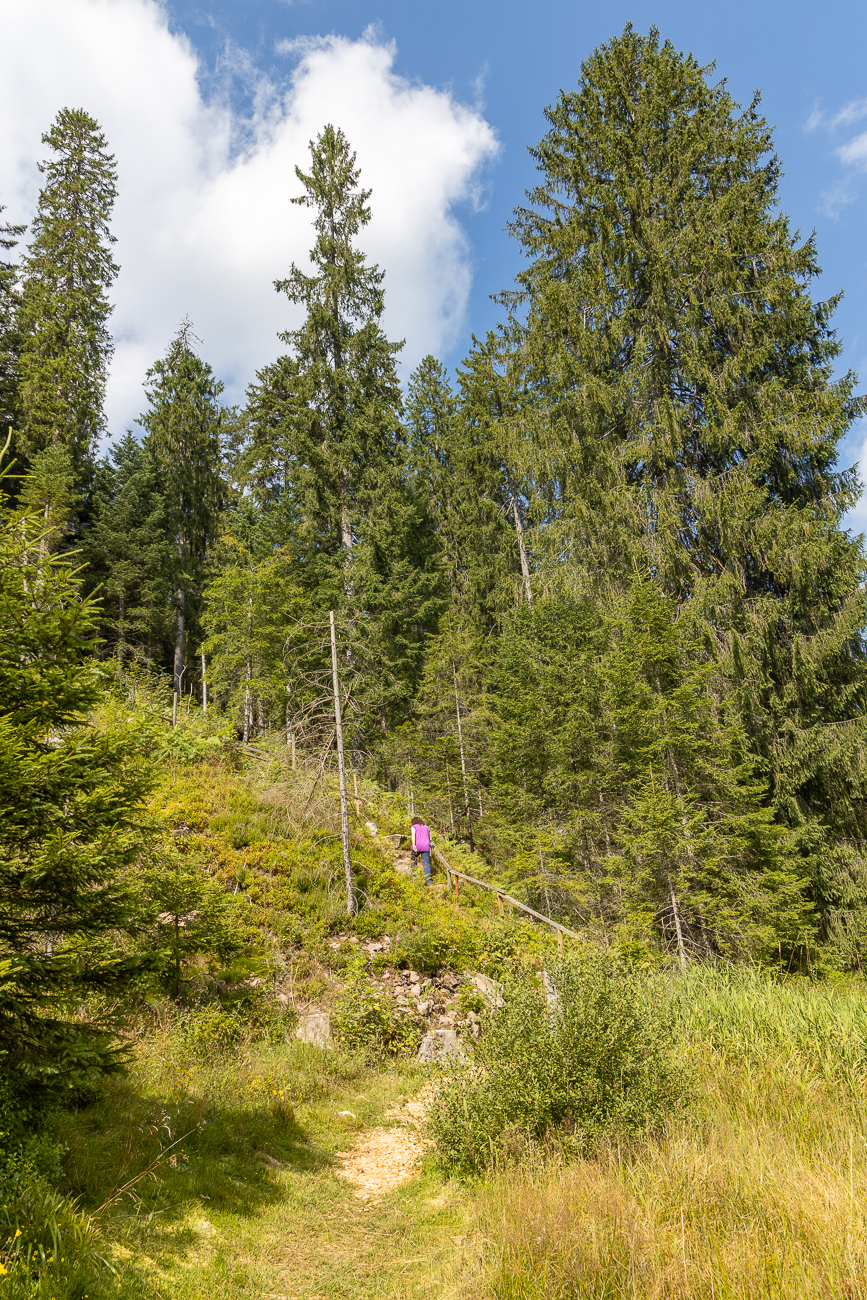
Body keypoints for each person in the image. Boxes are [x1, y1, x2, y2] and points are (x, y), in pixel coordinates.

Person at [410, 816, 432, 885]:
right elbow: (430, 839)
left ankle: (415, 877)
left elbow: (413, 835)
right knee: (426, 864)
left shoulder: (413, 827)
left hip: (417, 846)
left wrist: (413, 845)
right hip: (426, 846)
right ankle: (428, 881)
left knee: (413, 861)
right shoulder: (427, 827)